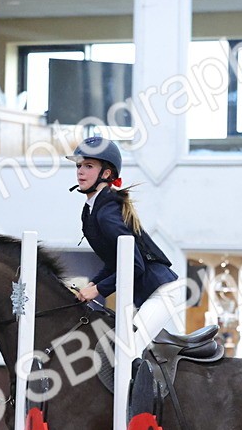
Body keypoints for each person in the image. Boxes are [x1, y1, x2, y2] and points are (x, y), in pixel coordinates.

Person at [67, 136, 185, 351]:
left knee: (127, 349)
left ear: (106, 173)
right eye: (79, 166)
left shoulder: (106, 213)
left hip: (162, 292)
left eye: (89, 166)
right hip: (147, 292)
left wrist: (99, 290)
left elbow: (135, 265)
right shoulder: (91, 210)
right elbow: (115, 262)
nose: (80, 171)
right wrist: (93, 284)